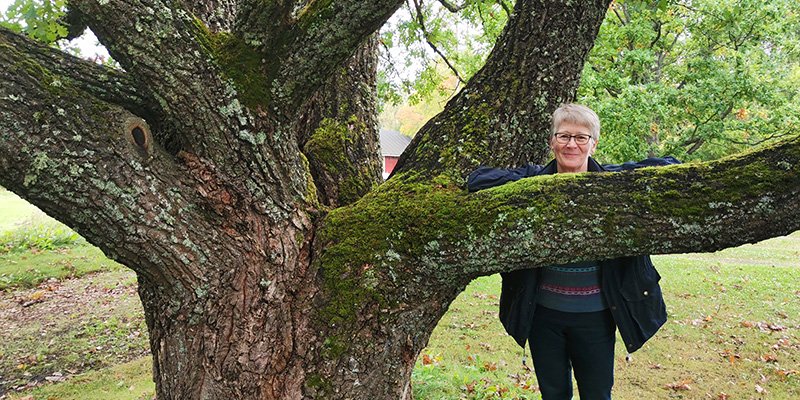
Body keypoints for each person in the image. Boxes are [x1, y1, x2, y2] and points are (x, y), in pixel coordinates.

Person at [467, 103, 679, 400]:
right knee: (553, 394)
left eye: (581, 137)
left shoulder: (611, 182)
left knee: (597, 394)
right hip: (543, 316)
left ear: (594, 144)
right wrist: (535, 186)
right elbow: (477, 180)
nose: (571, 144)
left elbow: (670, 166)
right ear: (552, 141)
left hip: (596, 316)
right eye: (564, 136)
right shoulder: (534, 178)